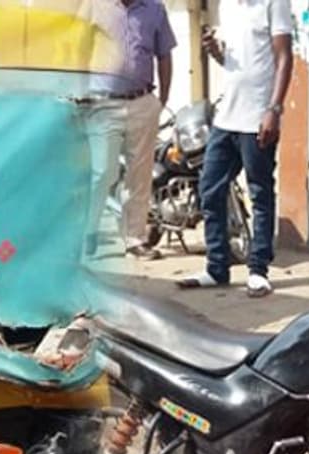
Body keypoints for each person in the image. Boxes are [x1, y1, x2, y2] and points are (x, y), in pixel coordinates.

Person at [176, 0, 293, 298]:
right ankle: (217, 268)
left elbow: (283, 58)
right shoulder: (227, 6)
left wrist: (274, 110)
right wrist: (215, 51)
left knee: (260, 193)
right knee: (210, 190)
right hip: (226, 117)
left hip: (257, 118)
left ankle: (258, 270)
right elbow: (233, 61)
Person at [79, 0, 176, 260]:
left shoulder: (154, 9)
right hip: (103, 103)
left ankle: (135, 239)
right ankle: (88, 233)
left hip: (143, 102)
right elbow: (78, 51)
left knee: (140, 176)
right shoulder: (94, 6)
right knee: (103, 172)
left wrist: (162, 100)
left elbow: (164, 54)